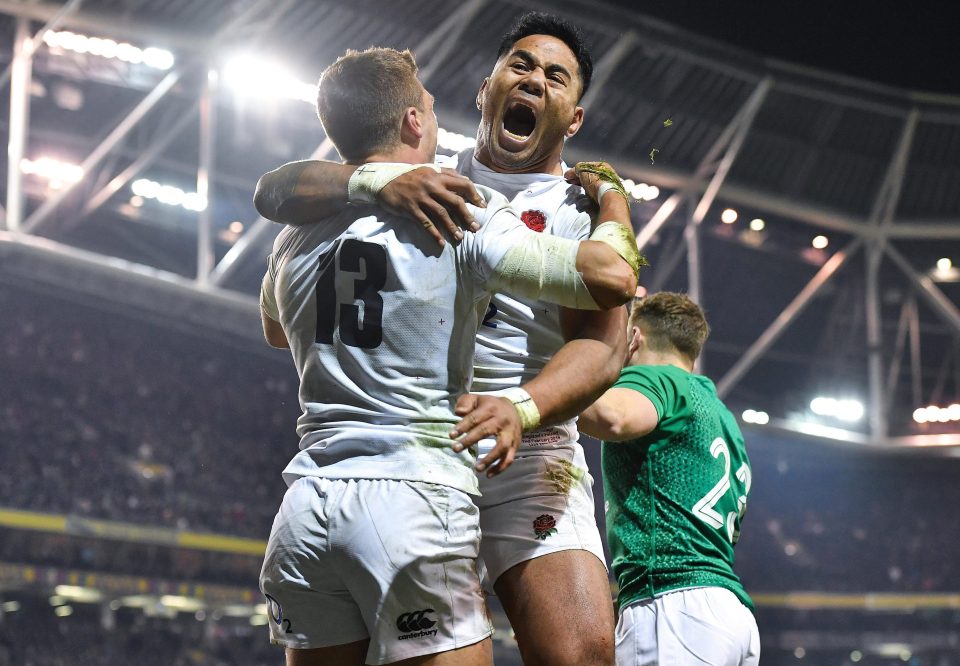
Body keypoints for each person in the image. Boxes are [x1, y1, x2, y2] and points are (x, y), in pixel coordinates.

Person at [254, 14, 631, 665]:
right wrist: (377, 179)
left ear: (573, 120)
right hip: (418, 441)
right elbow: (278, 188)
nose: (534, 81)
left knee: (582, 654)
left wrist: (524, 405)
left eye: (555, 76)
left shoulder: (580, 211)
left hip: (527, 442)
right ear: (484, 91)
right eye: (521, 65)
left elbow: (602, 347)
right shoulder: (420, 175)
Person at [577, 292, 760, 666]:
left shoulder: (658, 378)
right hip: (727, 612)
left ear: (635, 338)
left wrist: (545, 385)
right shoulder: (721, 415)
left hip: (675, 603)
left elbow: (613, 417)